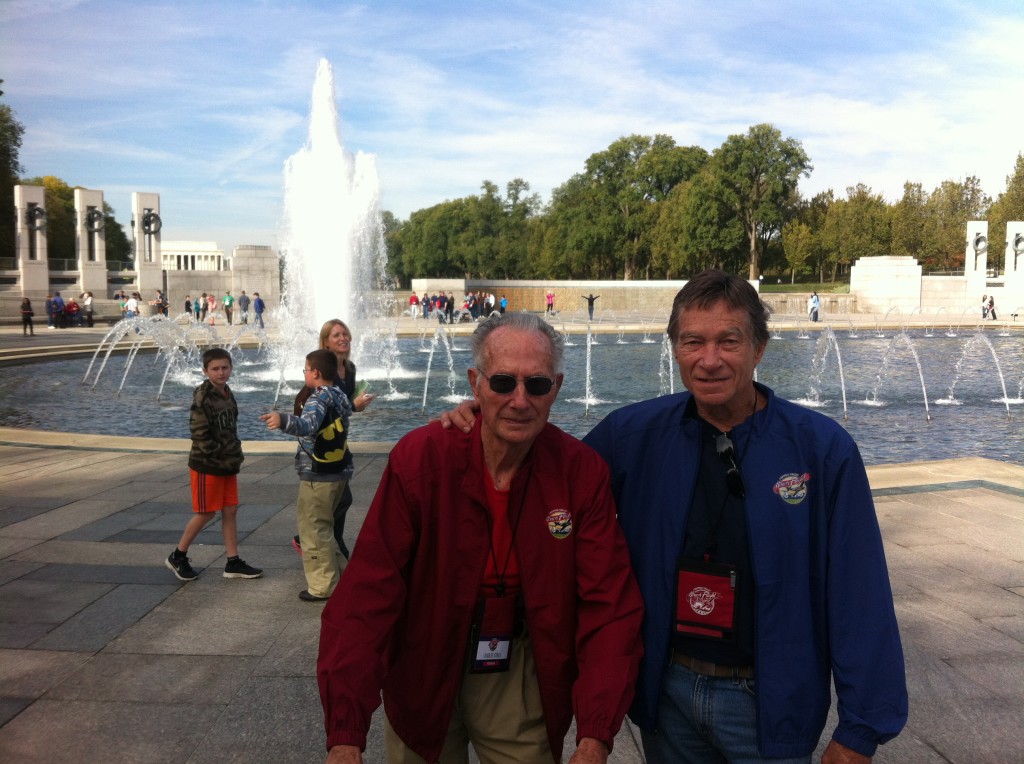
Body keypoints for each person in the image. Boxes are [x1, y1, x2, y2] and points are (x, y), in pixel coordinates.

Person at [443, 270, 908, 763]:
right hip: (668, 695)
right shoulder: (635, 435)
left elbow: (860, 589)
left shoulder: (820, 450)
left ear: (760, 348)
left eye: (728, 341)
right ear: (674, 348)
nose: (709, 360)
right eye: (692, 342)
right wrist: (483, 419)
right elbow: (549, 472)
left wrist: (860, 728)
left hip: (768, 704)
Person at [317, 312, 644, 764]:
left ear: (559, 387)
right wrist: (345, 732)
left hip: (516, 662)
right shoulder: (422, 459)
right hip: (425, 651)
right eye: (503, 382)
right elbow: (368, 594)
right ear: (476, 383)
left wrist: (596, 734)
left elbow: (609, 605)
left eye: (537, 385)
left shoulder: (579, 471)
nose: (519, 400)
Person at [261, 349, 352, 601]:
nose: (304, 374)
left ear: (315, 373)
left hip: (318, 473)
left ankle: (322, 586)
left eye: (305, 369)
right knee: (325, 527)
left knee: (313, 530)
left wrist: (282, 420)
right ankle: (341, 576)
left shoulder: (317, 398)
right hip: (339, 471)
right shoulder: (340, 395)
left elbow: (308, 425)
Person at [165, 347, 263, 583]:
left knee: (230, 510)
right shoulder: (203, 396)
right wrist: (216, 456)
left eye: (225, 367)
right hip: (207, 465)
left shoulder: (227, 392)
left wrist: (234, 454)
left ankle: (233, 561)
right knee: (206, 512)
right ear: (205, 370)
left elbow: (230, 428)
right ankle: (178, 556)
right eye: (215, 369)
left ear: (231, 368)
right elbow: (198, 433)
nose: (221, 372)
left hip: (227, 464)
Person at [291, 319, 375, 561]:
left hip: (337, 440)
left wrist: (356, 403)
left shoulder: (349, 369)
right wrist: (352, 406)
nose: (343, 338)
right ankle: (319, 543)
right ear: (325, 342)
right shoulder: (322, 373)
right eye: (336, 334)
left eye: (345, 333)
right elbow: (323, 408)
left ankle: (326, 542)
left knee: (339, 497)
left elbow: (342, 404)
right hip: (319, 445)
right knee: (339, 497)